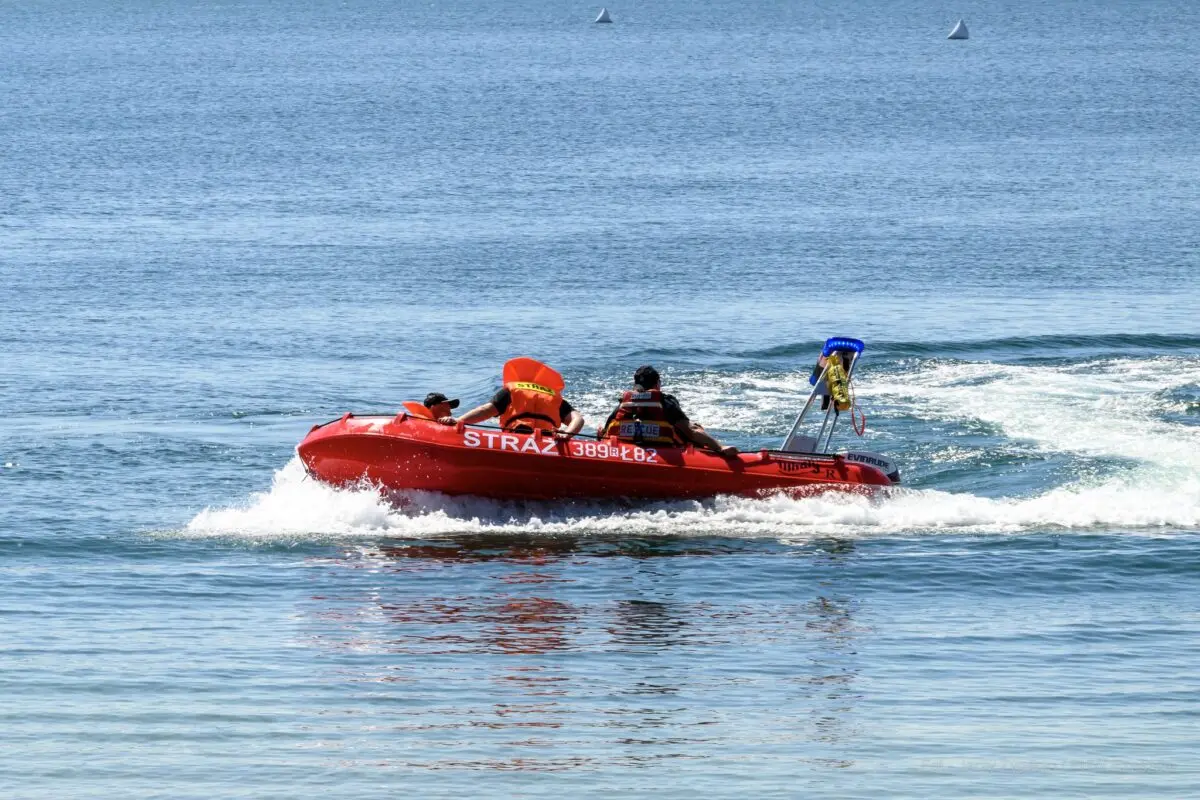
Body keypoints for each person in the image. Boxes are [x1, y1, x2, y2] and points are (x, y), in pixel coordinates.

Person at [600, 365, 738, 457]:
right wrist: (720, 447)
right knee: (695, 427)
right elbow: (690, 432)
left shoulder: (624, 403)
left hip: (626, 451)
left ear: (635, 385)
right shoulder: (665, 402)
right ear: (657, 384)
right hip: (664, 450)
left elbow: (605, 432)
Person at [440, 357, 585, 439]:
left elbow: (485, 410)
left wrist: (459, 421)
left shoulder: (512, 390)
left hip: (517, 438)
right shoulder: (553, 397)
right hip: (548, 441)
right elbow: (578, 419)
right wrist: (566, 435)